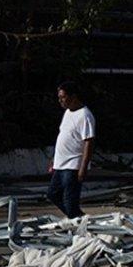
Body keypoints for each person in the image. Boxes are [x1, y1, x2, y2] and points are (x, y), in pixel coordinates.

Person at [48, 81, 95, 218]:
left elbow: (89, 142)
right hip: (60, 164)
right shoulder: (68, 112)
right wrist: (54, 160)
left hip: (73, 165)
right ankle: (78, 219)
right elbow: (64, 136)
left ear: (73, 96)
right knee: (53, 194)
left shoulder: (85, 115)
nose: (60, 100)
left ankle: (79, 223)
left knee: (70, 201)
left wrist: (83, 168)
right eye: (59, 97)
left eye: (63, 97)